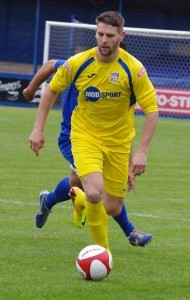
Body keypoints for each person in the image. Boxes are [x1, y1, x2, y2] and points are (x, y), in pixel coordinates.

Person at [29, 11, 158, 251]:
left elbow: (152, 110)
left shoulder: (134, 69)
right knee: (94, 192)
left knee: (111, 206)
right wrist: (38, 129)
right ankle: (104, 253)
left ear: (121, 35)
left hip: (118, 143)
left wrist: (141, 152)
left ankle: (53, 200)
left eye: (110, 35)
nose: (104, 40)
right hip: (83, 136)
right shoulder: (79, 62)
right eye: (100, 34)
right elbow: (51, 89)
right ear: (95, 33)